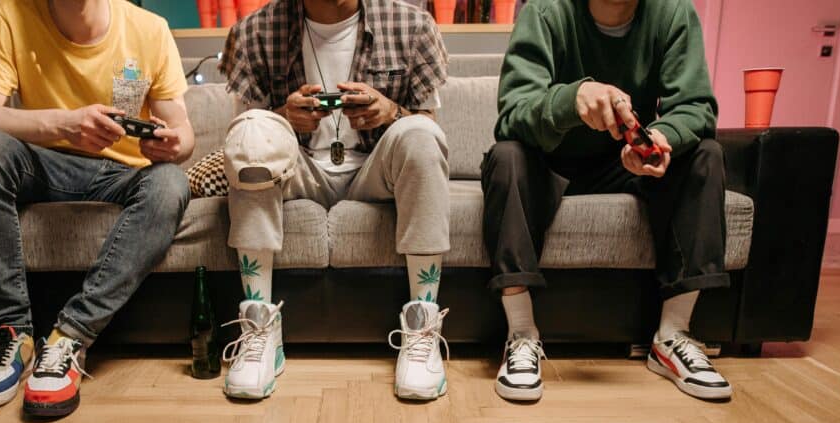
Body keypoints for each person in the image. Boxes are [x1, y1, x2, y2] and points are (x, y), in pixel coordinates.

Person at [482, 0, 733, 402]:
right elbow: (511, 115)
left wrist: (661, 138)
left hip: (628, 164)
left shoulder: (673, 14)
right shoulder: (545, 12)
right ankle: (522, 335)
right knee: (506, 156)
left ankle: (672, 336)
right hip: (549, 164)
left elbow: (695, 107)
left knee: (706, 154)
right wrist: (571, 99)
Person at [0, 0, 194, 417]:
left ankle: (69, 338)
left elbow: (184, 131)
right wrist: (63, 124)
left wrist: (176, 143)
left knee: (170, 182)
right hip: (42, 164)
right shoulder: (11, 16)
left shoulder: (150, 29)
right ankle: (9, 333)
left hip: (123, 172)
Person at [218, 0, 452, 401]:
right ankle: (258, 327)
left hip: (376, 172)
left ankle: (422, 325)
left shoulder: (411, 24)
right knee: (254, 131)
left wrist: (391, 111)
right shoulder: (255, 31)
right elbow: (242, 134)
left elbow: (427, 123)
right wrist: (282, 116)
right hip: (298, 170)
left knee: (419, 133)